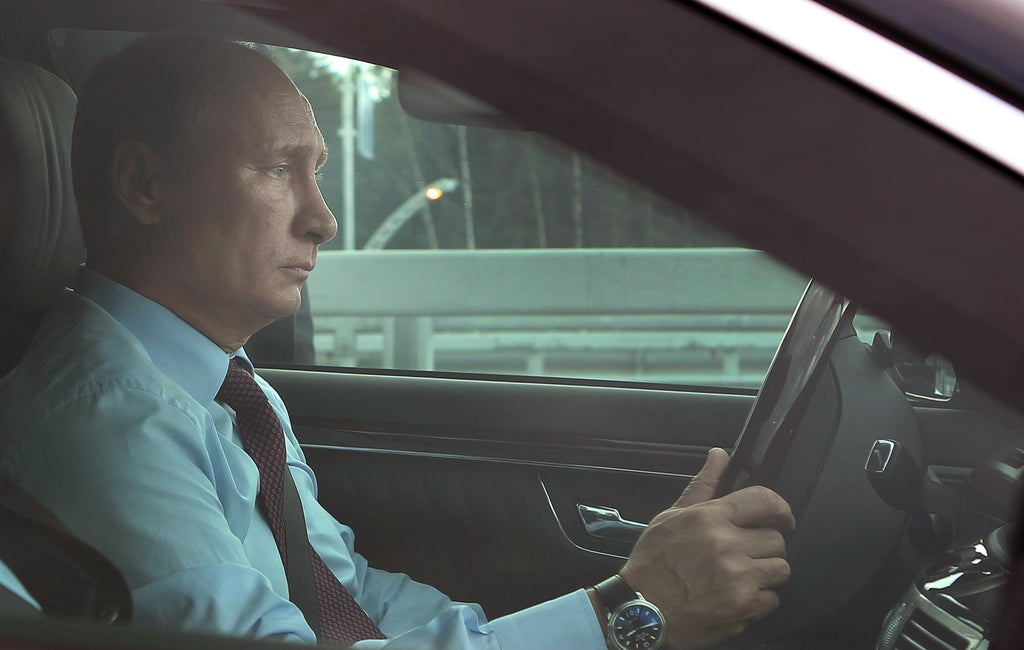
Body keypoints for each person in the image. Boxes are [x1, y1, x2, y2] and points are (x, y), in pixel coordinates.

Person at [0, 33, 794, 649]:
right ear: (145, 185)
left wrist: (596, 610)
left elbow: (348, 593)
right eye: (278, 169)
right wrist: (627, 614)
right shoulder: (105, 425)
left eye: (317, 172)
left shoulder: (227, 385)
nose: (323, 219)